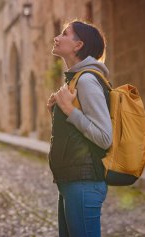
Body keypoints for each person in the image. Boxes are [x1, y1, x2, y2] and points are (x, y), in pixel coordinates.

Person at [47, 20, 112, 237]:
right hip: (71, 181)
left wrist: (69, 111)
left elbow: (104, 137)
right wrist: (57, 113)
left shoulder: (87, 81)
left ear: (78, 45)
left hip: (84, 183)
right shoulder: (75, 80)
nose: (57, 37)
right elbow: (75, 134)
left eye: (64, 34)